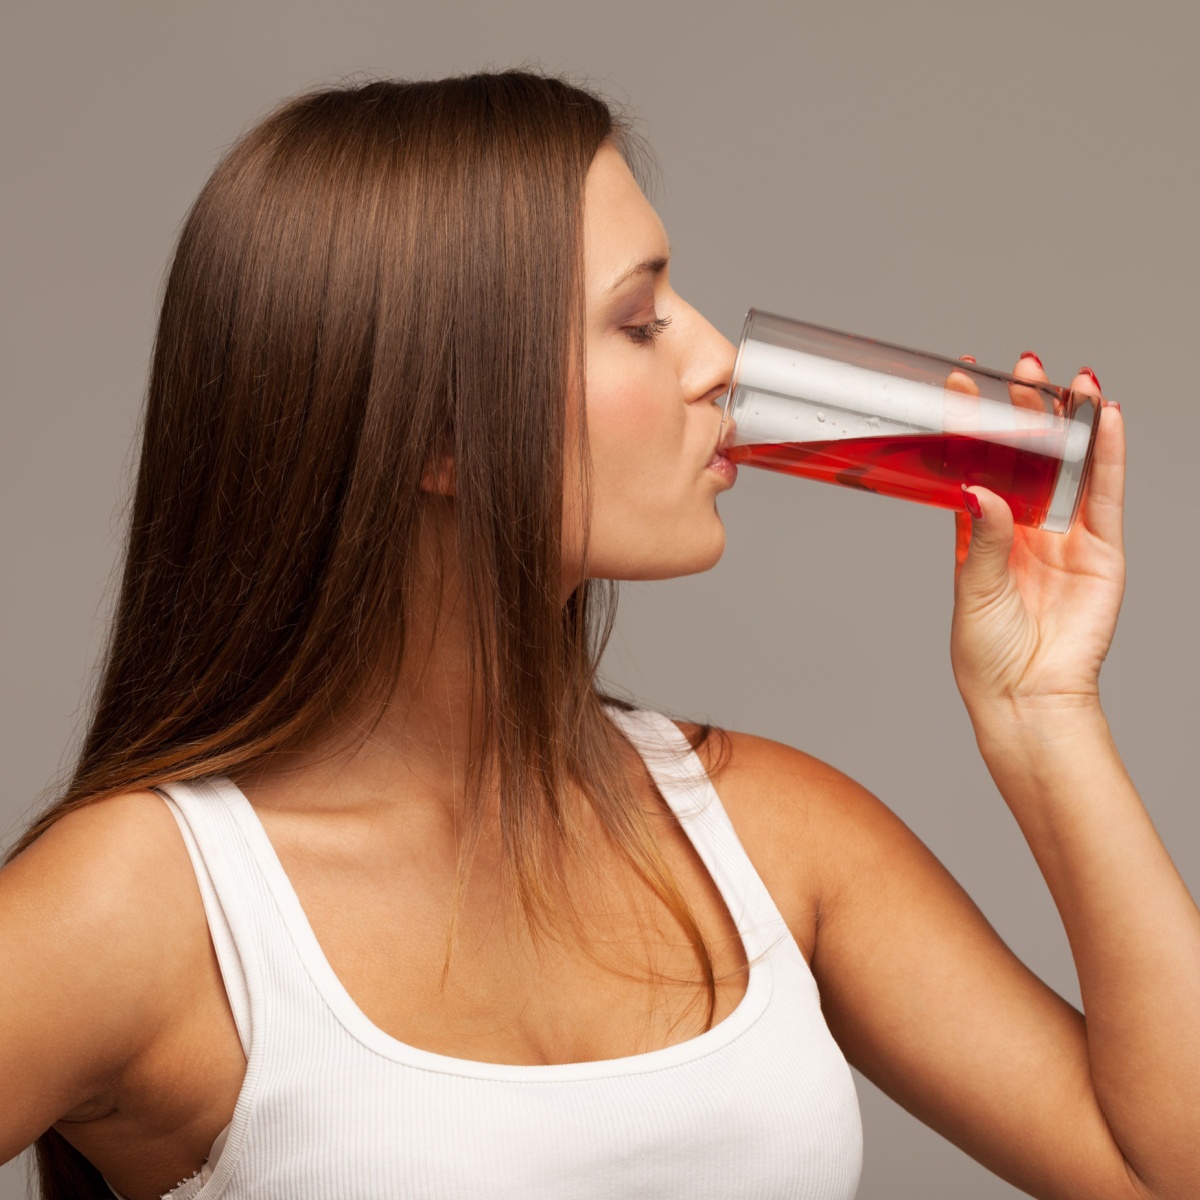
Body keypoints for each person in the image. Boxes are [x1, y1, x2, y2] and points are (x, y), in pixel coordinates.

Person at [1, 70, 1196, 1200]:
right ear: (438, 435)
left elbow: (1162, 1174)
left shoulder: (776, 842)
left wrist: (1047, 716)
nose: (720, 361)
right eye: (640, 322)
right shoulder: (152, 905)